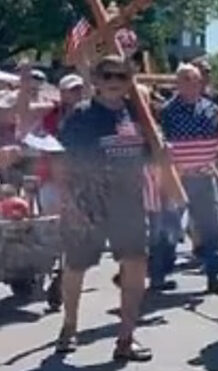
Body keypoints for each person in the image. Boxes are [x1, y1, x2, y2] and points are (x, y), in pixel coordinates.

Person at [54, 56, 154, 362]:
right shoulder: (82, 115)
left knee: (135, 264)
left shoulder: (138, 113)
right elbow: (63, 158)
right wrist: (69, 200)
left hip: (129, 202)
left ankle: (126, 337)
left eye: (121, 76)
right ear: (95, 80)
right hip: (89, 201)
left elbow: (151, 153)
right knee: (76, 266)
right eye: (107, 74)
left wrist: (162, 148)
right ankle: (69, 326)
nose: (114, 81)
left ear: (129, 81)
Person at [158, 63, 218, 293]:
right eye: (186, 79)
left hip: (204, 175)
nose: (192, 84)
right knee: (168, 226)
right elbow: (159, 141)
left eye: (195, 80)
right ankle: (159, 275)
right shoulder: (167, 111)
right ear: (177, 83)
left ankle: (215, 274)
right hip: (176, 177)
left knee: (211, 227)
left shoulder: (211, 109)